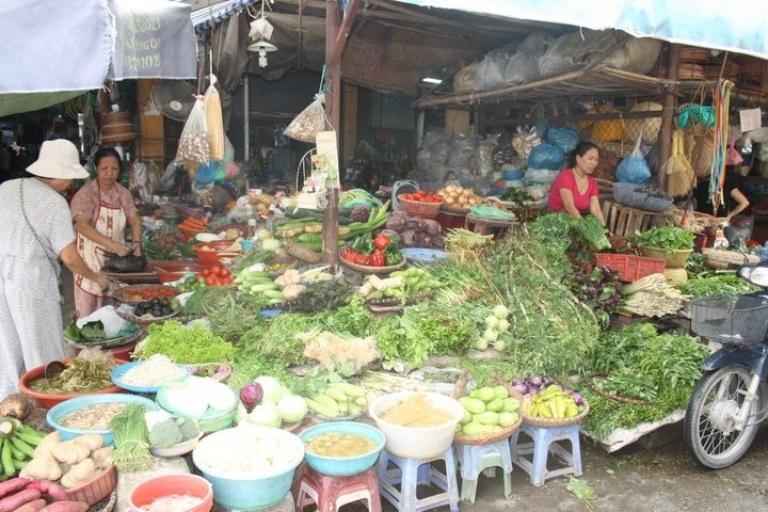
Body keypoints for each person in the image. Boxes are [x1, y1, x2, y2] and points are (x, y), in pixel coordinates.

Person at [0, 139, 110, 397]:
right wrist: (96, 277)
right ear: (61, 175)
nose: (70, 184)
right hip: (31, 277)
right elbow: (70, 257)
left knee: (6, 342)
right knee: (41, 343)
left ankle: (7, 401)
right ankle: (46, 400)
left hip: (2, 269)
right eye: (70, 177)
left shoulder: (5, 187)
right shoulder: (54, 203)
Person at [70, 147, 143, 318]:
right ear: (96, 168)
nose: (109, 173)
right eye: (104, 168)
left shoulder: (123, 194)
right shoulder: (86, 194)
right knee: (89, 315)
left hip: (117, 262)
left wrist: (137, 243)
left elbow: (134, 220)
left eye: (114, 168)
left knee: (114, 311)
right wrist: (113, 245)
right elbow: (82, 226)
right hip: (89, 260)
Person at [547, 141, 606, 225]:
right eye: (590, 158)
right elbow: (570, 208)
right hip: (556, 222)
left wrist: (605, 231)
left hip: (575, 221)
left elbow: (595, 209)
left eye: (596, 160)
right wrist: (585, 229)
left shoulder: (592, 183)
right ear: (578, 158)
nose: (593, 163)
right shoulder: (565, 177)